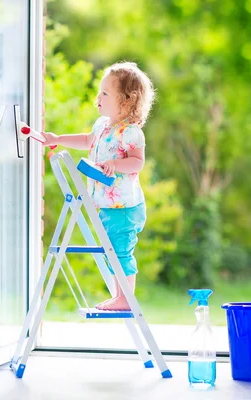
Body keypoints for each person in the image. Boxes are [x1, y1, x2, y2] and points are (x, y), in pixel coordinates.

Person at [41, 61, 155, 311]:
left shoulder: (131, 133)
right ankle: (120, 295)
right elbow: (86, 141)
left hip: (125, 206)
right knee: (110, 249)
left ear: (126, 101)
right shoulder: (102, 126)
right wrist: (57, 139)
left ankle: (126, 298)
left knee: (120, 250)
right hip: (107, 204)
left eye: (105, 93)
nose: (98, 98)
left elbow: (137, 163)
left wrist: (116, 163)